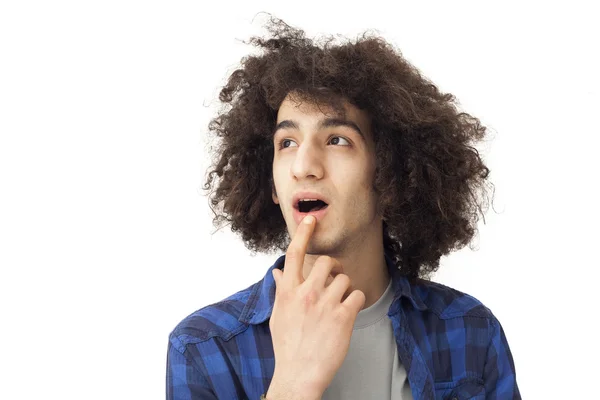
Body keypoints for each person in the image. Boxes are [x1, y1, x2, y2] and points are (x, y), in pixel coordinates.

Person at [166, 15, 520, 400]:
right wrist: (293, 384)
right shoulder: (204, 347)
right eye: (286, 143)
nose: (303, 166)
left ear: (390, 173)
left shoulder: (470, 332)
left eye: (336, 140)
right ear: (270, 182)